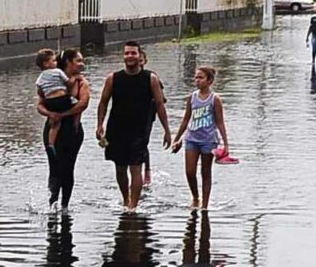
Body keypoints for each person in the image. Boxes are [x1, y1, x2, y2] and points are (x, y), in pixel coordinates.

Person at [93, 40, 170, 212]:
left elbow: (160, 105)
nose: (130, 56)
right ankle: (125, 198)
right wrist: (100, 125)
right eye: (127, 53)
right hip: (116, 130)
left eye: (133, 53)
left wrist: (167, 130)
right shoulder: (113, 78)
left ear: (139, 55)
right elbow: (103, 102)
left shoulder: (151, 79)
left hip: (139, 131)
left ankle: (133, 206)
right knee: (120, 169)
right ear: (123, 56)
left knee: (136, 168)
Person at [169, 64, 230, 211]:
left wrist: (226, 144)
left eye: (201, 78)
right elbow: (186, 119)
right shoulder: (192, 97)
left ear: (209, 81)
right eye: (196, 77)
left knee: (205, 172)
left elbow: (220, 122)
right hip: (192, 138)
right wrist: (176, 139)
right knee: (190, 171)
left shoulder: (215, 99)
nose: (197, 80)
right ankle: (195, 197)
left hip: (209, 140)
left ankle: (205, 204)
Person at [42, 49, 90, 210]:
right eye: (78, 61)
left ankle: (64, 206)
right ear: (68, 62)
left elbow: (83, 103)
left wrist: (63, 114)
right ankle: (52, 203)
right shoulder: (54, 78)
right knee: (54, 167)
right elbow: (39, 104)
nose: (82, 64)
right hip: (53, 126)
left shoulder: (81, 82)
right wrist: (51, 113)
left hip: (72, 130)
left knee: (68, 168)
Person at [33, 48, 74, 153]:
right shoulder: (58, 71)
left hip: (50, 102)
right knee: (73, 102)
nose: (56, 63)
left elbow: (40, 91)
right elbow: (69, 83)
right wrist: (75, 79)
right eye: (54, 60)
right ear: (46, 64)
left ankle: (51, 144)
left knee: (55, 123)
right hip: (62, 99)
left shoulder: (40, 77)